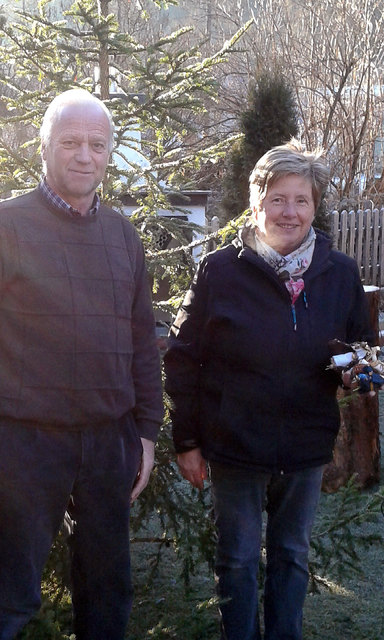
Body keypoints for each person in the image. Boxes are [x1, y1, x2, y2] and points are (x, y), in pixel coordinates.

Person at [164, 139, 374, 640]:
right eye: (277, 199)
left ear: (315, 207)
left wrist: (355, 371)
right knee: (236, 560)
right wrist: (187, 442)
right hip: (236, 446)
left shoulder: (340, 273)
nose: (289, 211)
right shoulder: (219, 271)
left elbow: (358, 346)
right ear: (256, 202)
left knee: (292, 557)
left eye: (301, 200)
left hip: (304, 446)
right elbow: (182, 358)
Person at [0, 89, 163, 640]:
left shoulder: (123, 236)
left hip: (107, 442)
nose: (84, 155)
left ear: (110, 151)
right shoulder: (7, 226)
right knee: (10, 595)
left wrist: (144, 435)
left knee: (107, 593)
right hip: (22, 442)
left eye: (97, 144)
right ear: (44, 146)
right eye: (70, 142)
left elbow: (143, 341)